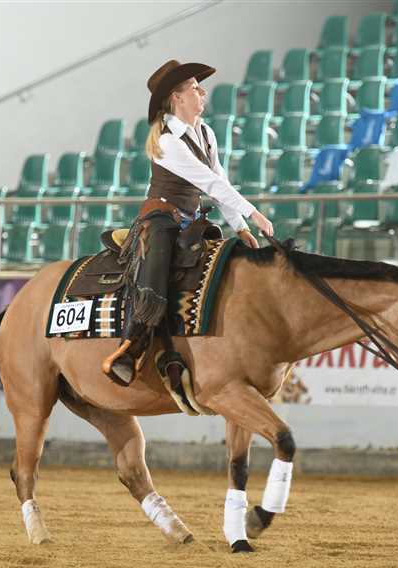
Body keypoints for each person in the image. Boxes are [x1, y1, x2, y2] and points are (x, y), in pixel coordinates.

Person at [101, 59, 275, 386]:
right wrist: (253, 213)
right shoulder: (167, 142)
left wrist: (240, 226)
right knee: (154, 273)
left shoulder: (205, 133)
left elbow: (220, 179)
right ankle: (131, 345)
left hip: (192, 220)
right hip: (160, 218)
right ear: (177, 97)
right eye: (195, 88)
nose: (202, 92)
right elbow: (210, 183)